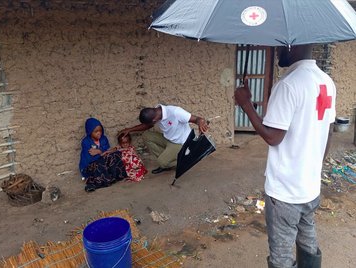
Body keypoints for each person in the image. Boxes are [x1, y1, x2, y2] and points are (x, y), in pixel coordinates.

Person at [234, 44, 336, 268]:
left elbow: (272, 137)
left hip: (285, 192)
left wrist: (246, 105)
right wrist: (315, 166)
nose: (277, 51)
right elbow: (328, 131)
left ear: (294, 46)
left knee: (281, 255)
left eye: (281, 47)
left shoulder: (288, 85)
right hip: (310, 187)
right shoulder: (326, 82)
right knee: (307, 238)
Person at [118, 104, 209, 174]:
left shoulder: (175, 112)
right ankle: (167, 160)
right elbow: (146, 126)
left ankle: (188, 159)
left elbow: (197, 119)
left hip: (181, 143)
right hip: (169, 139)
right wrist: (130, 130)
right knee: (146, 135)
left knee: (161, 162)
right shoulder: (156, 111)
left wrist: (200, 122)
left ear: (154, 120)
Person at [79, 118, 127, 192]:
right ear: (89, 132)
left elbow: (107, 151)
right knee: (99, 164)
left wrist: (99, 151)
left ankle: (116, 176)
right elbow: (90, 159)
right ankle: (96, 183)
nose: (99, 133)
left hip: (101, 160)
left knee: (116, 155)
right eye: (96, 131)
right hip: (89, 166)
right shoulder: (86, 142)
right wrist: (102, 153)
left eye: (100, 130)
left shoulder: (103, 139)